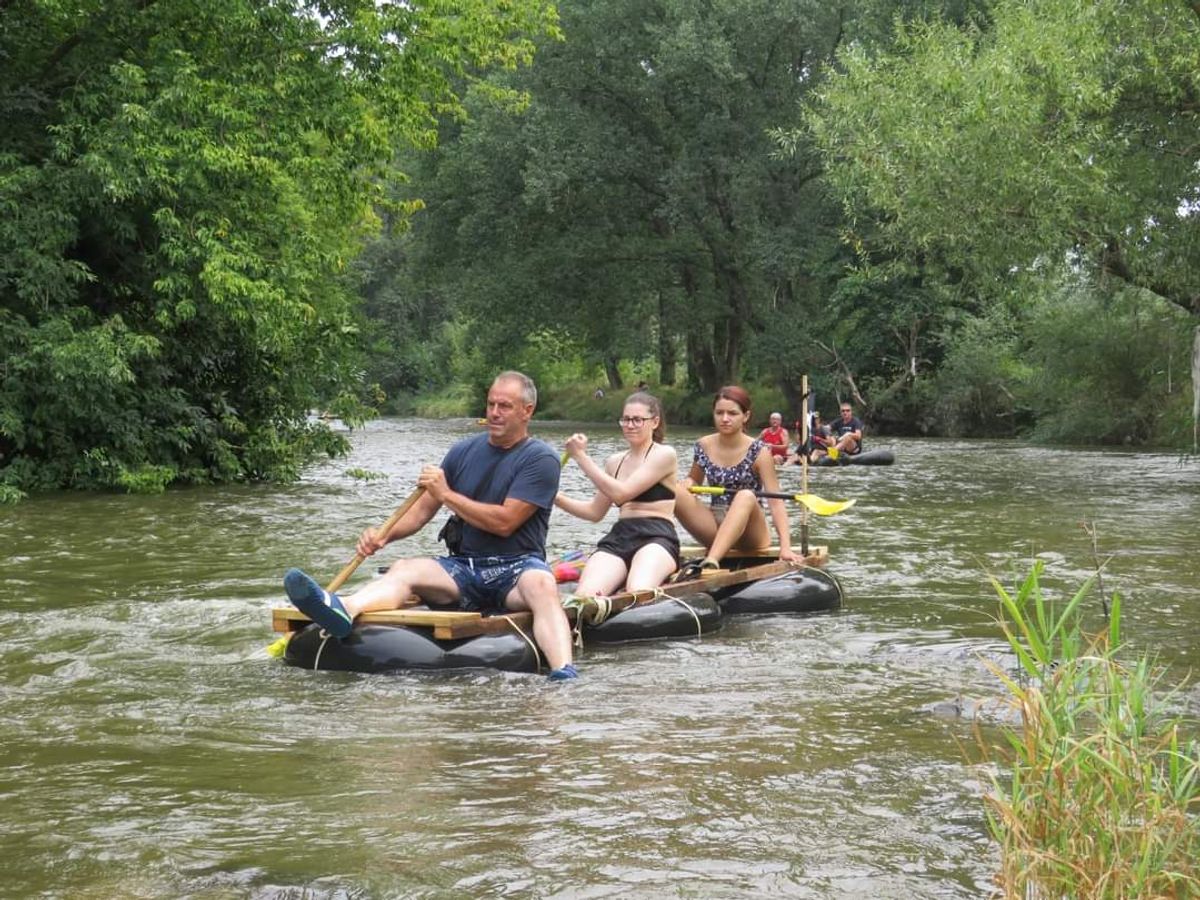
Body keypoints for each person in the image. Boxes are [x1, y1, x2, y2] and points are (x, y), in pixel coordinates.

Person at [281, 371, 577, 680]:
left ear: (527, 411)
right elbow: (421, 512)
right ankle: (344, 608)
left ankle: (563, 670)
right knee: (404, 567)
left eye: (504, 406)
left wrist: (446, 493)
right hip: (464, 567)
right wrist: (383, 536)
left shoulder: (541, 459)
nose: (494, 413)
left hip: (516, 568)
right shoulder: (462, 451)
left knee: (542, 585)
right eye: (490, 404)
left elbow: (505, 522)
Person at [554, 392, 680, 596]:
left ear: (654, 422)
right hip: (621, 535)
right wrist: (555, 497)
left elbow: (622, 494)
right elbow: (595, 512)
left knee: (637, 590)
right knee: (586, 596)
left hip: (657, 535)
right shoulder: (614, 461)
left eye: (638, 420)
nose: (630, 425)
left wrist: (581, 457)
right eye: (626, 419)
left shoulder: (664, 454)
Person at [673, 386, 800, 577]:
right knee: (675, 490)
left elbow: (776, 502)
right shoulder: (703, 445)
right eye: (719, 413)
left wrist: (785, 548)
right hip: (715, 525)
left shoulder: (760, 452)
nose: (725, 419)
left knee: (746, 495)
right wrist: (688, 483)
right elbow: (694, 479)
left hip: (752, 532)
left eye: (732, 413)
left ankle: (712, 562)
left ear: (745, 416)